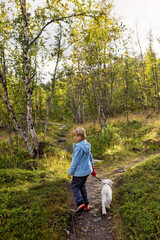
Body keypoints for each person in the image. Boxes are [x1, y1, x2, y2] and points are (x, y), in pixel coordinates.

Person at [68, 127, 96, 213]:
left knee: (74, 186)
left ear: (83, 136)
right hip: (86, 171)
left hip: (79, 172)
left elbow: (75, 162)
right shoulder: (86, 144)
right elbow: (90, 157)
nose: (75, 138)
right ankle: (86, 204)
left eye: (78, 136)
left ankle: (80, 203)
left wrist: (70, 172)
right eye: (74, 136)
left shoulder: (79, 148)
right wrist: (92, 168)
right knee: (82, 186)